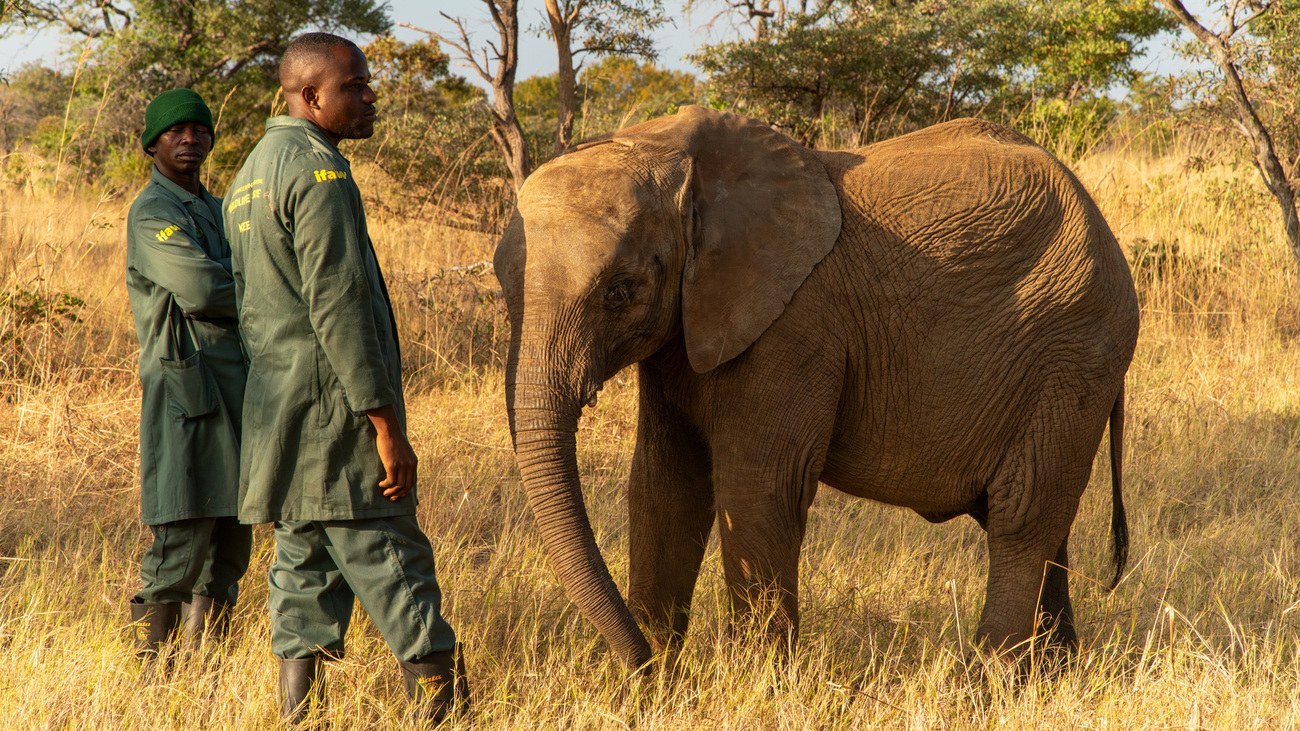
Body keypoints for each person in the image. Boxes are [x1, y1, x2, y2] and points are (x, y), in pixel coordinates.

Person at [223, 32, 466, 724]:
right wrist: (384, 424)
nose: (369, 96)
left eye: (365, 83)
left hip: (280, 423)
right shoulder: (318, 172)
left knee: (301, 578)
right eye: (353, 86)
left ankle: (300, 719)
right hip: (338, 420)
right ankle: (448, 713)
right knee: (395, 564)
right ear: (309, 96)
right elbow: (340, 307)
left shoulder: (249, 175)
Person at [125, 89, 252, 664]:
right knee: (180, 541)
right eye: (176, 131)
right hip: (186, 395)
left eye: (200, 130)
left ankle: (207, 680)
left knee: (231, 543)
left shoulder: (219, 208)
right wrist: (268, 293)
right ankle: (150, 683)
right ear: (153, 143)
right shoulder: (153, 211)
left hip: (242, 393)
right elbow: (201, 289)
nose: (190, 139)